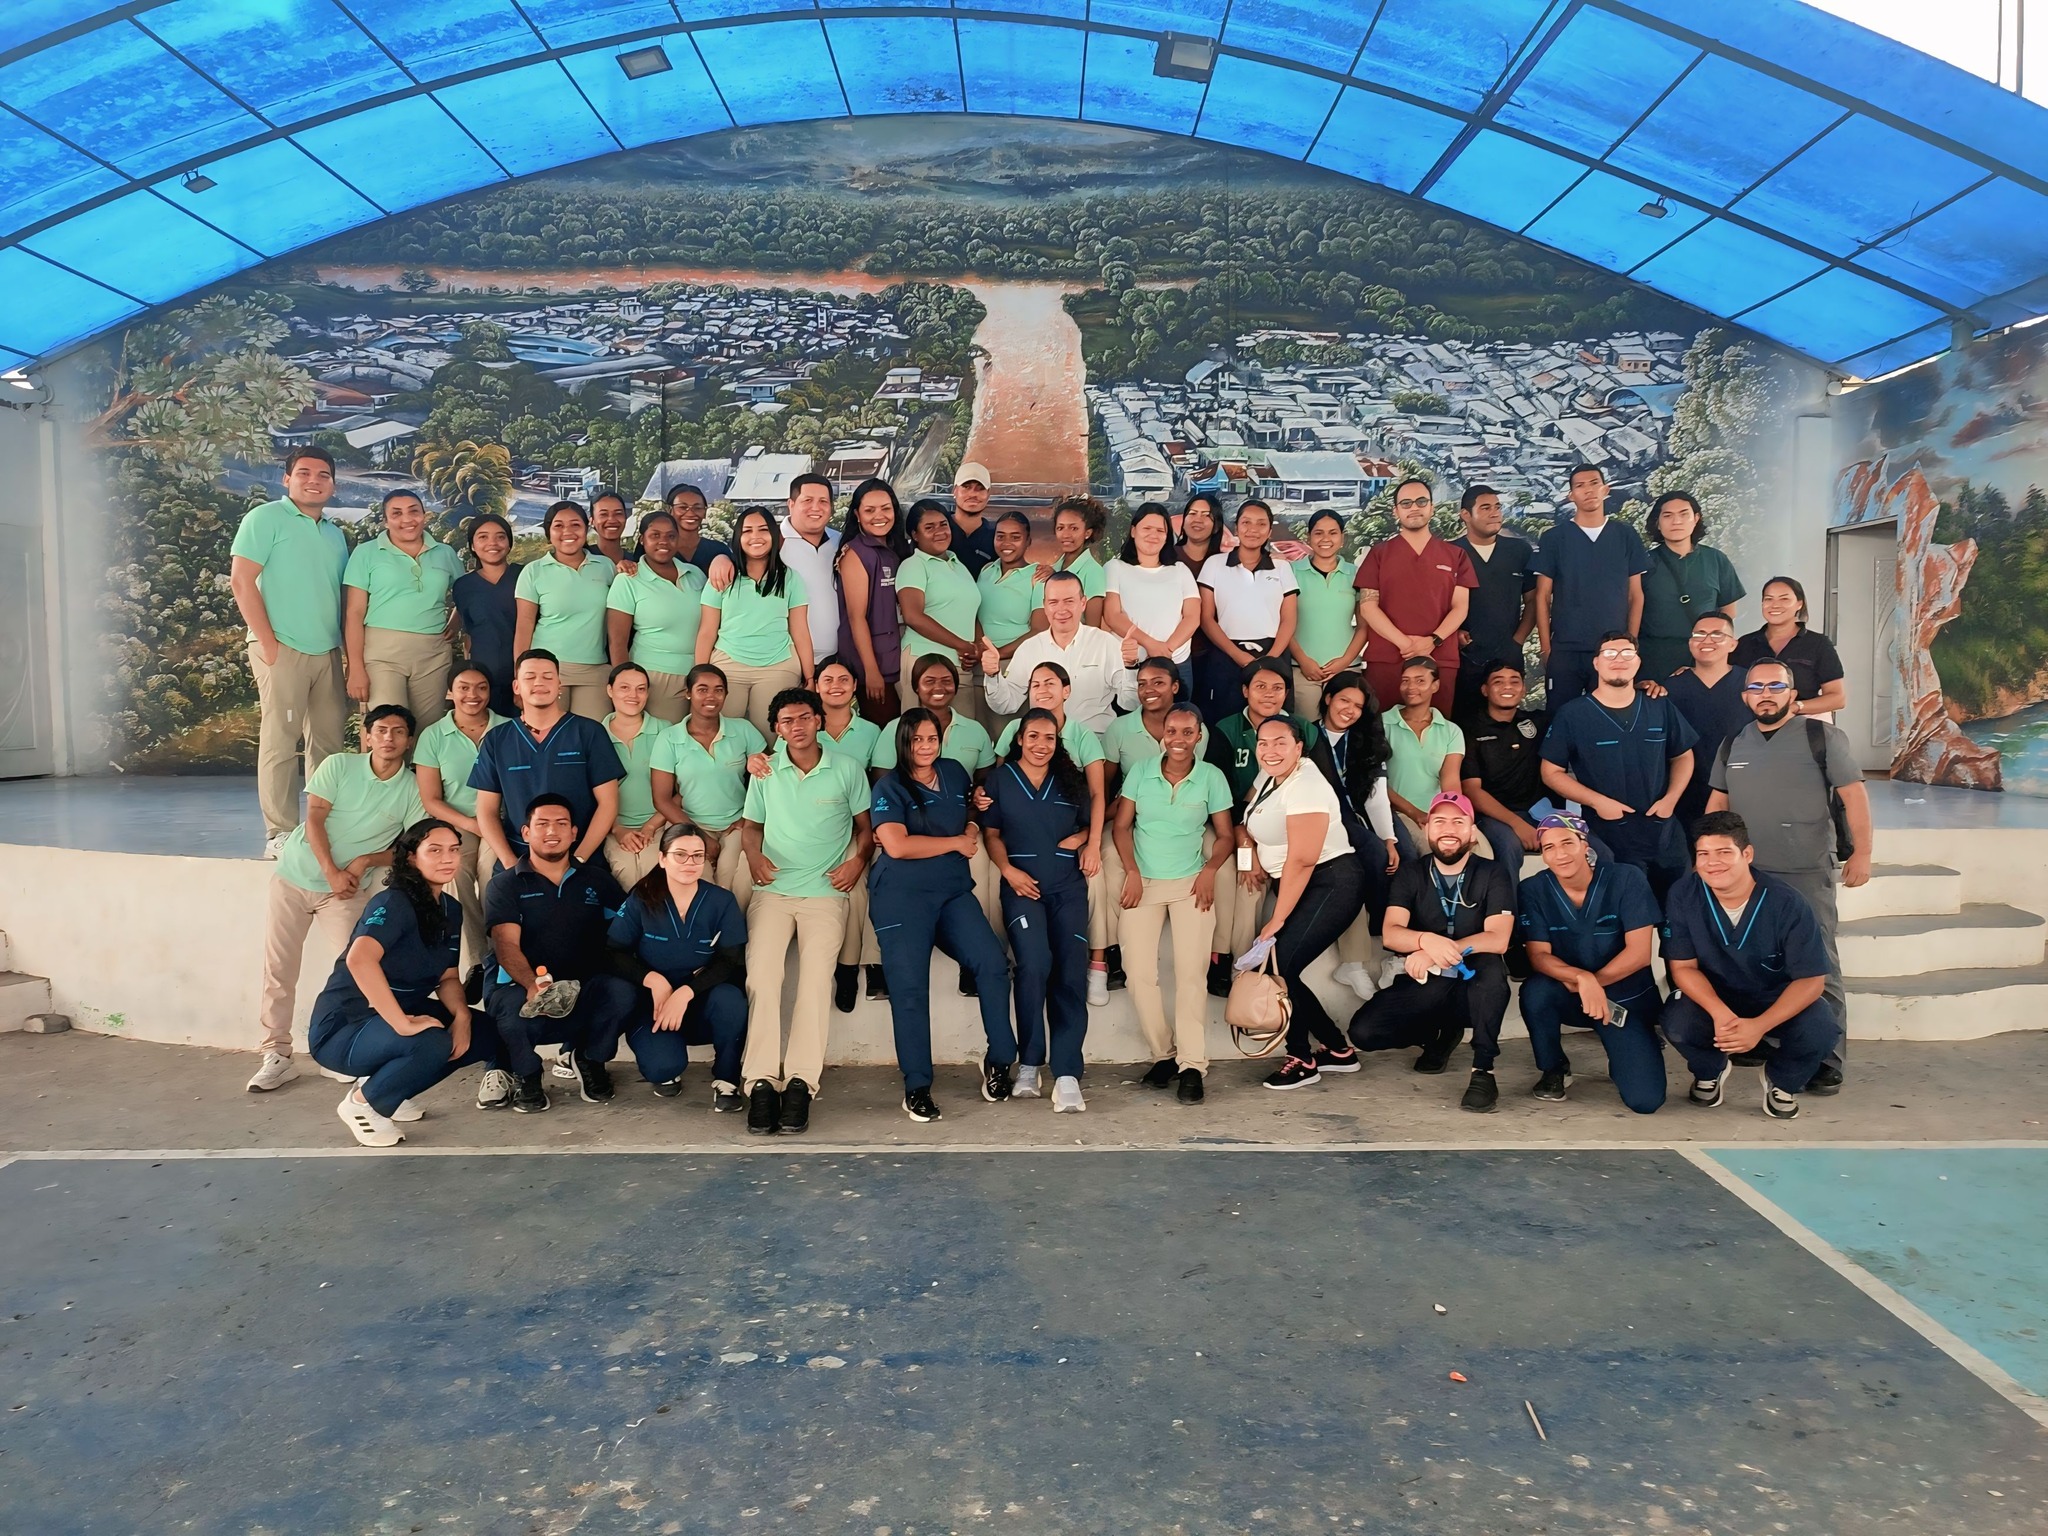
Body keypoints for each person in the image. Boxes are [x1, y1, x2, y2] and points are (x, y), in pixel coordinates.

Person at [1707, 657, 1873, 1091]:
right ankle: (1761, 1037)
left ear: (1793, 694)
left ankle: (1827, 1057)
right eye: (1756, 687)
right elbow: (1718, 804)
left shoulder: (1823, 737)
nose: (1766, 695)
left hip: (1805, 870)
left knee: (1818, 963)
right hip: (1745, 876)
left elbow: (1854, 797)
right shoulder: (1733, 743)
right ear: (1745, 697)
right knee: (1750, 959)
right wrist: (1707, 857)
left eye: (1775, 687)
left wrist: (1862, 854)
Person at [245, 704, 427, 1092]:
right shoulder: (339, 765)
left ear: (409, 740)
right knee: (279, 969)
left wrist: (364, 861)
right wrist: (331, 870)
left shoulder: (412, 788)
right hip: (294, 878)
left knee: (358, 972)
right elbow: (314, 818)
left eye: (398, 731)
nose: (389, 738)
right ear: (367, 736)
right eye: (381, 730)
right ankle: (276, 1054)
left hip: (347, 893)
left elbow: (411, 848)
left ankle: (342, 1054)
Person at [309, 819, 507, 1145]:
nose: (447, 858)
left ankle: (388, 1089)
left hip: (396, 1019)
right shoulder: (393, 903)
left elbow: (447, 976)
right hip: (346, 1026)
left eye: (454, 850)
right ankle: (363, 1105)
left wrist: (461, 1017)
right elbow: (360, 960)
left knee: (484, 1032)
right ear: (412, 857)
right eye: (435, 850)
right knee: (430, 1042)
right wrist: (401, 1023)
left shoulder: (450, 909)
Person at [868, 709, 1016, 1122]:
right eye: (917, 739)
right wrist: (955, 842)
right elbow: (897, 846)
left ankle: (999, 1060)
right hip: (901, 897)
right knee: (910, 990)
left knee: (991, 963)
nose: (925, 746)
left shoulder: (952, 772)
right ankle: (917, 1086)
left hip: (951, 892)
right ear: (903, 742)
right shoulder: (889, 786)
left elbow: (967, 814)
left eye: (931, 738)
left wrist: (970, 828)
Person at [739, 687, 873, 1136]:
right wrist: (753, 855)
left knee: (815, 985)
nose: (796, 727)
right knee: (763, 979)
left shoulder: (847, 769)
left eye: (803, 718)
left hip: (824, 894)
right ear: (776, 729)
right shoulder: (765, 771)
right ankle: (760, 1081)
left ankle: (800, 1083)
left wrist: (857, 861)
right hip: (773, 892)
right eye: (786, 721)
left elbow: (865, 829)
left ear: (818, 720)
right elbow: (751, 827)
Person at [1663, 812, 1844, 1119]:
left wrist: (1759, 1026)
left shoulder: (1787, 903)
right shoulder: (1684, 894)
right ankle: (1710, 1070)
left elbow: (1811, 981)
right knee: (1678, 1021)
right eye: (1703, 854)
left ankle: (1782, 1080)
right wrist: (1720, 1013)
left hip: (1774, 998)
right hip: (1716, 997)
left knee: (1821, 1028)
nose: (1712, 863)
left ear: (1747, 854)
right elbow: (1683, 968)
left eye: (1724, 852)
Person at [1346, 793, 1515, 1111]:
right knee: (1364, 1032)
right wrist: (1426, 940)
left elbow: (1498, 939)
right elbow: (1392, 932)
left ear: (1472, 831)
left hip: (1473, 979)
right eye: (1439, 821)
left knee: (1492, 979)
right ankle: (1440, 1036)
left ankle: (1483, 1071)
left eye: (1458, 821)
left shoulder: (1492, 873)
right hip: (1431, 979)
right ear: (1426, 829)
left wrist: (1440, 949)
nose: (1448, 829)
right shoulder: (1411, 873)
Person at [479, 795, 639, 1113]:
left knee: (623, 992)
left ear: (574, 833)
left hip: (582, 988)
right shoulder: (504, 885)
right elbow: (506, 945)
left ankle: (589, 1059)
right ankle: (527, 1075)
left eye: (561, 824)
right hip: (524, 988)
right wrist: (531, 985)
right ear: (526, 832)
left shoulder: (597, 880)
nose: (552, 831)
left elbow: (628, 927)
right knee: (510, 1010)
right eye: (542, 824)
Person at [1113, 702, 1235, 1103]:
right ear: (1161, 735)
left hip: (1190, 884)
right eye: (1171, 731)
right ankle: (1164, 1055)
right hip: (1143, 884)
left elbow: (1225, 835)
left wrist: (1210, 870)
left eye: (1187, 732)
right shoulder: (1141, 771)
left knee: (1191, 976)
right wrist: (1132, 871)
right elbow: (1121, 826)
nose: (1178, 739)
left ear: (1198, 736)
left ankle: (1192, 1066)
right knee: (1138, 974)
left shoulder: (1211, 777)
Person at [231, 445, 349, 851]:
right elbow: (241, 581)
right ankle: (279, 832)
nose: (314, 481)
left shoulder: (334, 533)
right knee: (281, 741)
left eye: (323, 475)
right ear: (286, 479)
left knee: (328, 746)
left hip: (327, 651)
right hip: (281, 650)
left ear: (333, 485)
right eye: (304, 473)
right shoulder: (264, 518)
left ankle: (323, 830)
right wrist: (268, 643)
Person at [1240, 717, 1367, 1091]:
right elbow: (1246, 820)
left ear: (1299, 747)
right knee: (1283, 967)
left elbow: (1302, 859)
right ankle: (1337, 1050)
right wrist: (1248, 851)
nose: (1270, 750)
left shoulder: (1306, 784)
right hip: (1302, 884)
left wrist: (1277, 919)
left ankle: (1302, 1059)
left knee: (1281, 965)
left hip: (1330, 881)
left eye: (1280, 742)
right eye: (1263, 743)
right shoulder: (1270, 777)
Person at [983, 709, 1096, 1111]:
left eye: (1049, 738)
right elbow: (991, 833)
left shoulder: (1070, 779)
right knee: (1033, 964)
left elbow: (1090, 822)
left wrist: (1082, 839)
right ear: (1019, 739)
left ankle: (1066, 1073)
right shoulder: (1000, 780)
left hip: (1067, 887)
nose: (1040, 745)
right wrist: (1008, 870)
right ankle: (1030, 1062)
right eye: (1033, 736)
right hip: (1022, 888)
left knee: (1070, 971)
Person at [1516, 814, 1666, 1114]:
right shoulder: (1533, 889)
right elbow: (1539, 955)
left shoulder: (1626, 878)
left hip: (1623, 1000)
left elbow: (1639, 953)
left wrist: (1597, 983)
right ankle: (1554, 1068)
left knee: (1645, 1101)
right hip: (1572, 993)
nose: (1559, 854)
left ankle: (1629, 1051)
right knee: (1536, 992)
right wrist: (1583, 979)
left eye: (1567, 843)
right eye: (1548, 847)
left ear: (1585, 845)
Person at [1539, 632, 1697, 908]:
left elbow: (1683, 755)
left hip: (1664, 834)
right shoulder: (1573, 714)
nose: (1619, 659)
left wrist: (1671, 799)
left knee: (1679, 916)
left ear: (1638, 662)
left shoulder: (1659, 705)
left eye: (1627, 653)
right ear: (1596, 663)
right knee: (1624, 916)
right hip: (1609, 836)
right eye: (1610, 654)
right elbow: (1550, 772)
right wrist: (1597, 802)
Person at [992, 662, 1115, 1004]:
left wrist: (1090, 840)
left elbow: (1097, 794)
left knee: (1095, 875)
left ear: (1066, 690)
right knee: (988, 869)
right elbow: (1006, 787)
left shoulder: (1082, 735)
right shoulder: (1015, 728)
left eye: (1050, 683)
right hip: (1025, 834)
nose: (1042, 689)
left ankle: (1098, 962)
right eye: (1035, 684)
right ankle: (994, 951)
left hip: (1075, 827)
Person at [607, 822, 750, 1109]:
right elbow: (613, 952)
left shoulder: (720, 901)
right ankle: (667, 1060)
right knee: (662, 1068)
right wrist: (654, 981)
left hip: (701, 1002)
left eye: (697, 856)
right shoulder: (643, 897)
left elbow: (729, 960)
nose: (689, 862)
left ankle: (727, 1078)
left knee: (731, 999)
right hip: (656, 1009)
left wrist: (686, 992)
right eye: (680, 855)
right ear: (662, 858)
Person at [1203, 657, 1308, 994]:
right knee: (1238, 877)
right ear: (1245, 691)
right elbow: (1221, 796)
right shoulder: (1226, 729)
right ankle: (1224, 958)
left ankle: (1240, 967)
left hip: (1281, 829)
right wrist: (1244, 841)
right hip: (1232, 822)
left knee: (1252, 884)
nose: (1269, 694)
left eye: (1278, 687)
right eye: (1260, 686)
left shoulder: (1302, 731)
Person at [467, 649, 624, 873]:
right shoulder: (497, 739)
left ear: (560, 685)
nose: (539, 682)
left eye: (548, 677)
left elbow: (608, 803)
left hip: (581, 856)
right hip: (519, 856)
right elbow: (486, 810)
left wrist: (577, 860)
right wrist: (511, 864)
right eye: (530, 677)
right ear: (516, 687)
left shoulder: (589, 732)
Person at [1306, 671, 1400, 1000]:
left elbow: (1377, 797)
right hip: (1320, 821)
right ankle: (1368, 946)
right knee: (1366, 858)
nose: (1350, 710)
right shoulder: (1307, 736)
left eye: (1358, 706)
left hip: (1360, 816)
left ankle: (1396, 948)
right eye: (1344, 700)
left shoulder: (1366, 740)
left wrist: (1389, 838)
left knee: (1398, 856)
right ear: (1328, 698)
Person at [1355, 477, 1477, 715]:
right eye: (1406, 503)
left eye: (1421, 502)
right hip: (1387, 659)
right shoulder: (1379, 554)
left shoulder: (1456, 555)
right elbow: (1368, 607)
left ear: (1432, 507)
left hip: (1438, 660)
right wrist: (1406, 645)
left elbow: (1460, 607)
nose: (1414, 508)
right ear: (1396, 511)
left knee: (1435, 728)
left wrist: (1433, 641)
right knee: (1381, 729)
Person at [413, 663, 506, 973]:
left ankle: (502, 956)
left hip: (501, 821)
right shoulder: (434, 735)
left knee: (492, 875)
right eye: (463, 688)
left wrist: (488, 824)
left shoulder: (509, 727)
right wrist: (470, 825)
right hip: (457, 823)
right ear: (449, 692)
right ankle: (479, 961)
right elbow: (431, 799)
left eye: (481, 687)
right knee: (456, 871)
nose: (473, 695)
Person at [1531, 465, 1648, 708]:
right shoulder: (1554, 538)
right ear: (1571, 495)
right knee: (1561, 715)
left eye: (1594, 483)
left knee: (1609, 715)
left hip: (1612, 650)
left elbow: (1635, 595)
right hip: (1565, 649)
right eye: (1580, 486)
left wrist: (1631, 645)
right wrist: (1546, 648)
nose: (1588, 490)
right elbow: (1542, 596)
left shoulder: (1625, 535)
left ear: (1606, 489)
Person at [342, 488, 460, 729]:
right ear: (385, 521)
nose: (407, 519)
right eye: (396, 513)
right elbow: (354, 614)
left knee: (427, 731)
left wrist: (456, 622)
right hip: (382, 655)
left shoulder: (445, 553)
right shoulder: (366, 553)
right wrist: (356, 668)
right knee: (389, 728)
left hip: (433, 655)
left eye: (413, 511)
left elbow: (468, 594)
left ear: (424, 515)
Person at [649, 664, 765, 903]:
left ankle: (732, 925)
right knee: (697, 883)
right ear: (688, 693)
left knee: (735, 880)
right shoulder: (669, 738)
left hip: (736, 824)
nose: (711, 696)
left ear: (726, 694)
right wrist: (699, 835)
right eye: (702, 689)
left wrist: (749, 818)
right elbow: (661, 800)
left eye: (718, 690)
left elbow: (770, 779)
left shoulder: (743, 730)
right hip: (690, 823)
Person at [695, 506, 812, 737]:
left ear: (774, 535)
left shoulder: (790, 578)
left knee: (772, 735)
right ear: (738, 537)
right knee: (724, 735)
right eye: (747, 531)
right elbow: (707, 631)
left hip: (778, 665)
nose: (755, 537)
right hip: (728, 665)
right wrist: (700, 676)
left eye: (763, 530)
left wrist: (809, 678)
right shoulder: (722, 576)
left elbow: (800, 631)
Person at [982, 570, 1136, 734]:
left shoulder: (1105, 643)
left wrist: (1131, 666)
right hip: (1045, 744)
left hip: (1095, 739)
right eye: (1053, 602)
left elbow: (1130, 703)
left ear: (1083, 603)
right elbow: (1005, 705)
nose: (1061, 610)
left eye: (1069, 601)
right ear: (1045, 605)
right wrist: (992, 675)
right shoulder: (1029, 648)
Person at [1196, 498, 1298, 724]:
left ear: (1270, 531)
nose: (1253, 529)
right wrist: (1237, 655)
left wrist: (1271, 660)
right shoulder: (1215, 564)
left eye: (1261, 524)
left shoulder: (1281, 568)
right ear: (1236, 528)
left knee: (1274, 723)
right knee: (1226, 722)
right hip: (1227, 654)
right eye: (1246, 522)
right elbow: (1206, 618)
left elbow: (1289, 619)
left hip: (1273, 652)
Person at [514, 501, 616, 719]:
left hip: (594, 669)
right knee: (549, 733)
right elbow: (524, 626)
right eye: (558, 526)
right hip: (546, 670)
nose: (567, 532)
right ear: (548, 532)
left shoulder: (606, 566)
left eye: (575, 525)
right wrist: (521, 677)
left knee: (591, 733)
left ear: (586, 528)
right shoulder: (533, 571)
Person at [606, 508, 707, 724]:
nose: (664, 541)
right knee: (661, 738)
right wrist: (625, 685)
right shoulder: (628, 579)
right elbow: (617, 641)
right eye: (655, 535)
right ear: (642, 539)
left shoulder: (695, 575)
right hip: (655, 677)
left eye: (671, 536)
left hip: (697, 675)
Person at [1450, 484, 1535, 723]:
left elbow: (1533, 601)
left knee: (1505, 724)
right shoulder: (1451, 552)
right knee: (1463, 723)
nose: (1495, 513)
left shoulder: (1519, 550)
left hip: (1508, 656)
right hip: (1464, 657)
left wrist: (1517, 642)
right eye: (1485, 508)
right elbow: (1437, 604)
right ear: (1465, 515)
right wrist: (1453, 633)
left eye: (1497, 507)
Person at [1640, 492, 1745, 680]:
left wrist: (1711, 645)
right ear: (1657, 522)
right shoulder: (1643, 563)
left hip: (1705, 657)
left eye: (1684, 514)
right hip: (1656, 659)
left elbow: (1728, 612)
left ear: (1696, 518)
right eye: (1667, 516)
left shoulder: (1715, 559)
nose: (1676, 521)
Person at [1461, 661, 1554, 873]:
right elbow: (1471, 790)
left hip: (1537, 812)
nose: (1507, 687)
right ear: (1485, 690)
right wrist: (1516, 824)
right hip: (1493, 817)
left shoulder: (1537, 722)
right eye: (1498, 682)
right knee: (1509, 845)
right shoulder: (1469, 728)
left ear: (1524, 689)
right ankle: (1505, 897)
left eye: (1514, 681)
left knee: (1594, 846)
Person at [896, 497, 985, 718]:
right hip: (924, 665)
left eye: (943, 524)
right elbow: (912, 616)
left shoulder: (958, 565)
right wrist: (962, 645)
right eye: (929, 527)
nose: (939, 532)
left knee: (961, 730)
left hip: (961, 665)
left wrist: (978, 647)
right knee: (922, 731)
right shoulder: (913, 565)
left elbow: (970, 611)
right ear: (915, 535)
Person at [1665, 610, 1752, 832]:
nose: (1707, 640)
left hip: (1741, 791)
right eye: (1699, 634)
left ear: (1732, 644)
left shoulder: (1751, 684)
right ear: (1690, 643)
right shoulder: (1670, 688)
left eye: (1717, 634)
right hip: (1684, 795)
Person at [1104, 503, 1201, 696]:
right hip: (1131, 664)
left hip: (1176, 663)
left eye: (1160, 530)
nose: (1153, 535)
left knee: (1178, 713)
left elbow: (1192, 617)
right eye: (1147, 528)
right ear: (1133, 531)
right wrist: (1151, 645)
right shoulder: (1115, 567)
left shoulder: (1180, 570)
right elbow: (1113, 616)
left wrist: (1166, 650)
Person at [833, 477, 908, 723]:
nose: (879, 516)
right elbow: (856, 618)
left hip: (897, 658)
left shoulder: (897, 549)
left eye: (886, 508)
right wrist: (871, 671)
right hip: (873, 666)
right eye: (869, 510)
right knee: (885, 732)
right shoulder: (855, 553)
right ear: (857, 514)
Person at [1731, 577, 1847, 720]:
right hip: (1754, 724)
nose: (1775, 605)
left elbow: (1837, 698)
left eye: (1784, 599)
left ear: (1799, 604)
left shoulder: (1818, 644)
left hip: (1804, 723)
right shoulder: (1745, 643)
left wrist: (1795, 707)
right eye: (1768, 599)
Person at [1288, 509, 1365, 725]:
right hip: (1302, 671)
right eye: (1318, 533)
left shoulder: (1356, 574)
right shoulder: (1290, 572)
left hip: (1347, 670)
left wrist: (1344, 662)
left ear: (1343, 538)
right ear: (1308, 537)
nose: (1325, 539)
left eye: (1333, 533)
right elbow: (1283, 624)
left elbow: (1364, 626)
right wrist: (1303, 661)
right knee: (1308, 731)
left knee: (1344, 730)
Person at [871, 654, 997, 776]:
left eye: (946, 681)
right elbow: (881, 779)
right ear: (916, 687)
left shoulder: (975, 730)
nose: (938, 687)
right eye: (929, 681)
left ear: (955, 686)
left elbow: (985, 780)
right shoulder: (895, 728)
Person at [601, 663, 668, 891]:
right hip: (612, 826)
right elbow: (589, 793)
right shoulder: (595, 734)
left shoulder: (665, 732)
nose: (633, 695)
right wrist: (617, 828)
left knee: (655, 872)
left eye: (641, 689)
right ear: (610, 690)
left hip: (659, 824)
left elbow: (683, 791)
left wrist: (651, 826)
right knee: (626, 874)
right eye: (625, 687)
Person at [1384, 657, 1465, 846]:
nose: (1411, 687)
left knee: (1480, 852)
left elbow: (1451, 783)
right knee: (1429, 849)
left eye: (1420, 680)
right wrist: (1415, 814)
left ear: (1435, 685)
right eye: (1405, 680)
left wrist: (1455, 820)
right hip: (1395, 814)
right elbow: (1375, 783)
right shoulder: (1381, 725)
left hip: (1435, 817)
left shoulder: (1451, 731)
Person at [452, 511, 522, 718]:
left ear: (509, 543)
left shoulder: (526, 575)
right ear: (472, 546)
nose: (493, 543)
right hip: (484, 676)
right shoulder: (463, 586)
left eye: (500, 537)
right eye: (483, 537)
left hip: (524, 673)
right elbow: (469, 634)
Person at [974, 510, 1041, 726]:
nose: (1007, 543)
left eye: (1016, 537)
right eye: (1000, 536)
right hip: (980, 664)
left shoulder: (1037, 577)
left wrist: (998, 655)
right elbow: (975, 613)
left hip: (1013, 667)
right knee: (980, 730)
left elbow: (1039, 630)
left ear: (1028, 541)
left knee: (1007, 731)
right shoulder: (986, 571)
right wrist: (981, 649)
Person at [1104, 656, 1208, 778]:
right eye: (1142, 684)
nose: (1148, 690)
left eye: (1158, 683)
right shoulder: (1118, 728)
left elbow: (1196, 778)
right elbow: (1104, 782)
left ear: (1175, 687)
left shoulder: (1194, 727)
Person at [1032, 494, 1109, 629]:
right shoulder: (1051, 569)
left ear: (1087, 533)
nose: (1066, 535)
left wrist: (1055, 578)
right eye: (1060, 528)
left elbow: (1092, 628)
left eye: (1074, 528)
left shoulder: (1093, 571)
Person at [815, 655, 884, 768]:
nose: (836, 685)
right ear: (817, 686)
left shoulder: (872, 731)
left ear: (854, 685)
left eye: (844, 680)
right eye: (828, 680)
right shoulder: (802, 726)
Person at [664, 482, 730, 574]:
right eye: (683, 507)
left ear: (705, 512)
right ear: (670, 510)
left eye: (697, 508)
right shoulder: (660, 549)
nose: (690, 513)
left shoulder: (719, 550)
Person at [949, 462, 998, 577]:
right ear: (955, 490)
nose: (973, 494)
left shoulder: (996, 537)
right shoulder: (937, 529)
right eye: (966, 487)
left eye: (980, 488)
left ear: (988, 494)